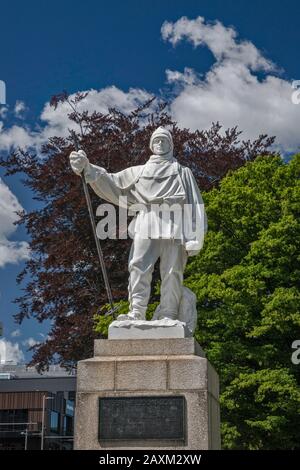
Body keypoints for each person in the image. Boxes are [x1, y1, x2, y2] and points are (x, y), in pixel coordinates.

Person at [69, 127, 206, 322]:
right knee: (138, 265)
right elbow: (113, 181)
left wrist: (195, 236)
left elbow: (195, 205)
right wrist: (87, 167)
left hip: (175, 222)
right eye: (156, 141)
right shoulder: (139, 172)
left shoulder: (183, 172)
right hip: (146, 219)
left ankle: (169, 313)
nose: (160, 144)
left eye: (164, 141)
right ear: (151, 145)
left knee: (172, 270)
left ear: (171, 145)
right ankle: (137, 312)